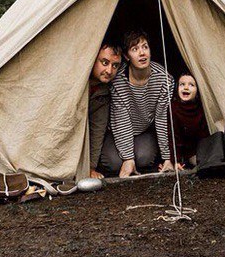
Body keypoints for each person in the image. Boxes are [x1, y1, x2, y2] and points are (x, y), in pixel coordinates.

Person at [98, 29, 175, 177]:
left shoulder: (164, 80)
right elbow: (121, 120)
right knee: (113, 162)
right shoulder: (118, 79)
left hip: (144, 130)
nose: (142, 53)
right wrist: (128, 158)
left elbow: (162, 119)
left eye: (145, 47)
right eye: (135, 49)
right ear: (126, 56)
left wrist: (167, 158)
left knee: (145, 159)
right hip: (117, 131)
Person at [87, 40, 122, 179]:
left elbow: (98, 128)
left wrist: (90, 167)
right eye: (104, 63)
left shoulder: (104, 91)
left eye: (115, 66)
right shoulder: (76, 80)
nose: (109, 71)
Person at [170, 72, 211, 169]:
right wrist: (176, 160)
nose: (186, 88)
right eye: (182, 84)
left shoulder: (201, 108)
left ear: (197, 90)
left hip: (196, 150)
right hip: (181, 151)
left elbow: (204, 135)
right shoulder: (173, 109)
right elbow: (173, 136)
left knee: (203, 162)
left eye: (191, 85)